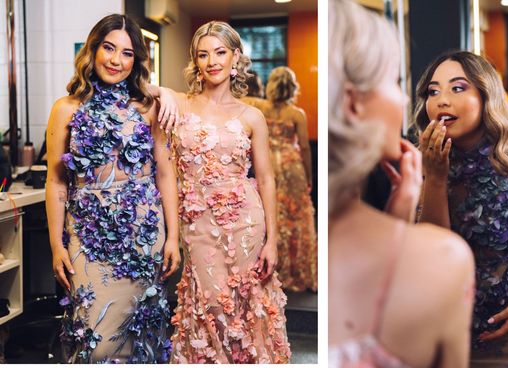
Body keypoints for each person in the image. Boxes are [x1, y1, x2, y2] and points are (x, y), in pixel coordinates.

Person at [330, 1, 474, 367]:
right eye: (396, 81)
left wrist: (398, 217)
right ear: (352, 105)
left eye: (458, 88)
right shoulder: (443, 260)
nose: (437, 100)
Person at [45, 14, 181, 363]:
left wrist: (172, 237)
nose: (116, 60)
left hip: (143, 238)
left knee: (142, 337)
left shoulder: (150, 107)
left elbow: (165, 174)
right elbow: (57, 180)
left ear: (136, 60)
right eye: (109, 48)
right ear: (93, 48)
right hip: (87, 241)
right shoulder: (65, 109)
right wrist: (56, 244)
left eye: (128, 53)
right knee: (95, 342)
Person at [413, 50, 508, 366]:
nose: (441, 100)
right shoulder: (421, 164)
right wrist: (436, 178)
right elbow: (432, 256)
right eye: (433, 91)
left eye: (457, 88)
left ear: (486, 96)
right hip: (450, 328)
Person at [164, 20, 290, 363]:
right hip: (197, 221)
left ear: (236, 57)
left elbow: (266, 180)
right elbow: (143, 88)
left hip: (245, 223)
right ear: (195, 61)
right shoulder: (179, 104)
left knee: (244, 303)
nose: (212, 61)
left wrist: (273, 240)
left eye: (220, 52)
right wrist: (161, 93)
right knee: (212, 304)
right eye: (203, 55)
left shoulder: (252, 116)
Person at [260, 66, 317, 292]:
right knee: (296, 216)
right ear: (292, 87)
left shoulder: (261, 109)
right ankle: (298, 270)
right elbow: (304, 147)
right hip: (292, 167)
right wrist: (309, 176)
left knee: (272, 215)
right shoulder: (297, 114)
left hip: (269, 166)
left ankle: (273, 267)